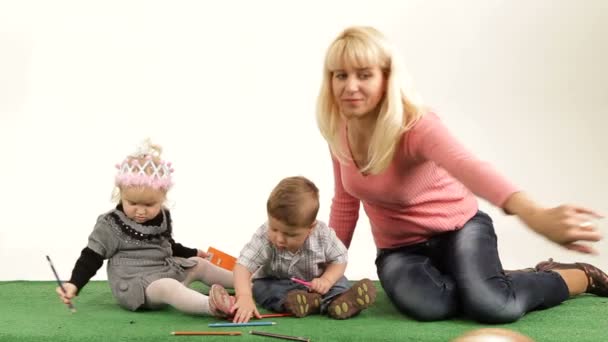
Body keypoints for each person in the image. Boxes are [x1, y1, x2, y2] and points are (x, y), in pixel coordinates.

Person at [315, 26, 607, 323]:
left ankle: (577, 276)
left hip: (460, 230)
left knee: (495, 307)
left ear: (387, 78)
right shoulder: (338, 128)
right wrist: (324, 270)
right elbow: (345, 201)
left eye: (364, 75)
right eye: (341, 75)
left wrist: (534, 214)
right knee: (432, 308)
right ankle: (486, 281)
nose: (350, 86)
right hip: (399, 250)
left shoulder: (416, 125)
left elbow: (470, 168)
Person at [54, 140, 234, 317]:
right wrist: (74, 284)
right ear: (121, 194)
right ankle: (211, 306)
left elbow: (167, 245)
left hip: (164, 270)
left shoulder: (163, 215)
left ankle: (246, 284)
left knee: (199, 264)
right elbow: (91, 256)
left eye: (149, 204)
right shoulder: (110, 224)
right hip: (136, 285)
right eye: (132, 203)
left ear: (162, 197)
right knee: (169, 287)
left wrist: (193, 252)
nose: (140, 211)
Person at [230, 176, 376, 323]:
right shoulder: (264, 237)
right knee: (261, 288)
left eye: (290, 234)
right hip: (278, 282)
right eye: (274, 228)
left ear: (311, 228)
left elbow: (340, 259)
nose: (279, 239)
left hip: (317, 282)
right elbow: (243, 266)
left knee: (339, 282)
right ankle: (308, 302)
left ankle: (340, 301)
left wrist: (326, 279)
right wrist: (244, 297)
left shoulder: (323, 235)